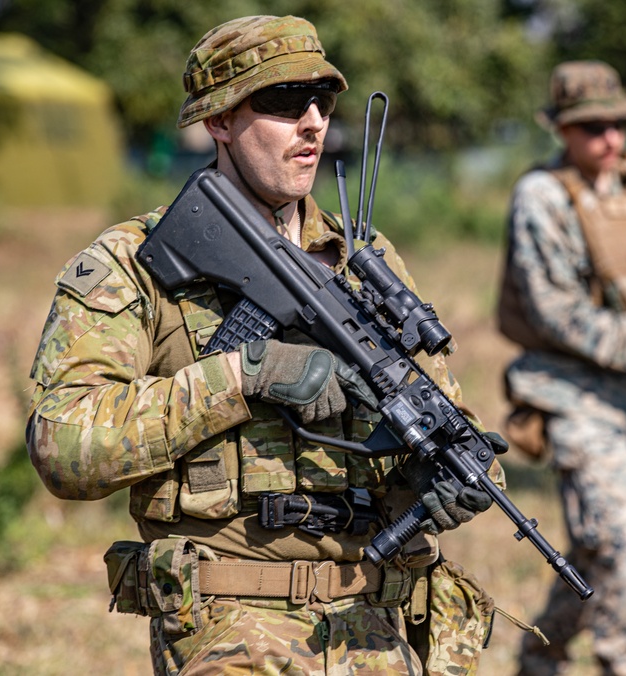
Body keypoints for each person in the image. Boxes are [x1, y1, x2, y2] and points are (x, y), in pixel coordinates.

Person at [26, 15, 503, 675]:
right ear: (217, 120)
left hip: (374, 627)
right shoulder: (132, 263)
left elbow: (438, 413)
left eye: (323, 102)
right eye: (282, 102)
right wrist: (244, 375)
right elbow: (63, 445)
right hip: (230, 633)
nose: (313, 122)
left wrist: (442, 482)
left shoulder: (363, 263)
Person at [497, 60, 626, 675]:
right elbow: (554, 311)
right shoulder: (540, 197)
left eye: (617, 124)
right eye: (592, 128)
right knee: (619, 543)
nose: (610, 140)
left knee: (604, 548)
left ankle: (540, 655)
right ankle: (624, 664)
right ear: (561, 130)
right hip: (570, 394)